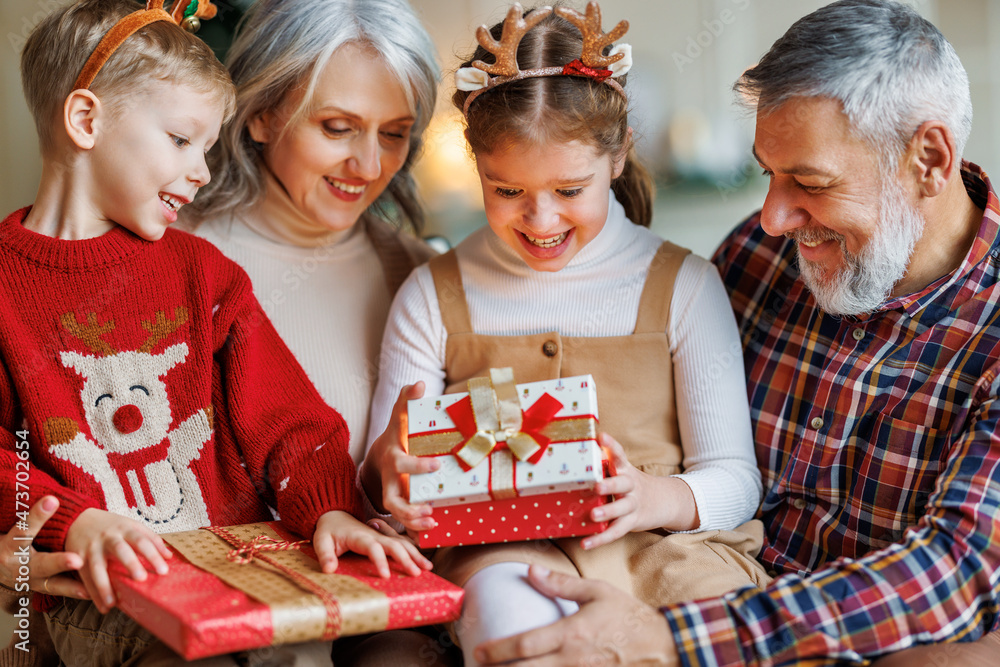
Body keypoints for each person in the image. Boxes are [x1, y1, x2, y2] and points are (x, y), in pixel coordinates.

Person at [473, 1, 1000, 664]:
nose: (774, 217)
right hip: (685, 588)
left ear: (929, 158)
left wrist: (670, 636)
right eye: (768, 174)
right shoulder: (756, 256)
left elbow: (952, 572)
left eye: (809, 181)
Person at [0, 1, 429, 665]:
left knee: (313, 651)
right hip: (107, 592)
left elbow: (287, 414)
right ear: (85, 120)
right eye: (181, 142)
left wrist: (329, 508)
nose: (200, 170)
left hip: (241, 565)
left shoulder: (204, 272)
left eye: (204, 146)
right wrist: (68, 519)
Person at [361, 3, 767, 665]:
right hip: (501, 550)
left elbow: (734, 479)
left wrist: (650, 496)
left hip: (669, 549)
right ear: (474, 162)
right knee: (515, 625)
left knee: (715, 634)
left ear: (619, 154)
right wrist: (390, 471)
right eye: (506, 188)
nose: (540, 218)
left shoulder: (686, 285)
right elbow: (388, 484)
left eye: (569, 188)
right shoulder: (432, 295)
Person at [188, 0, 440, 465]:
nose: (369, 166)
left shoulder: (427, 280)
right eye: (338, 127)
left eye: (394, 134)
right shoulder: (161, 257)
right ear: (260, 115)